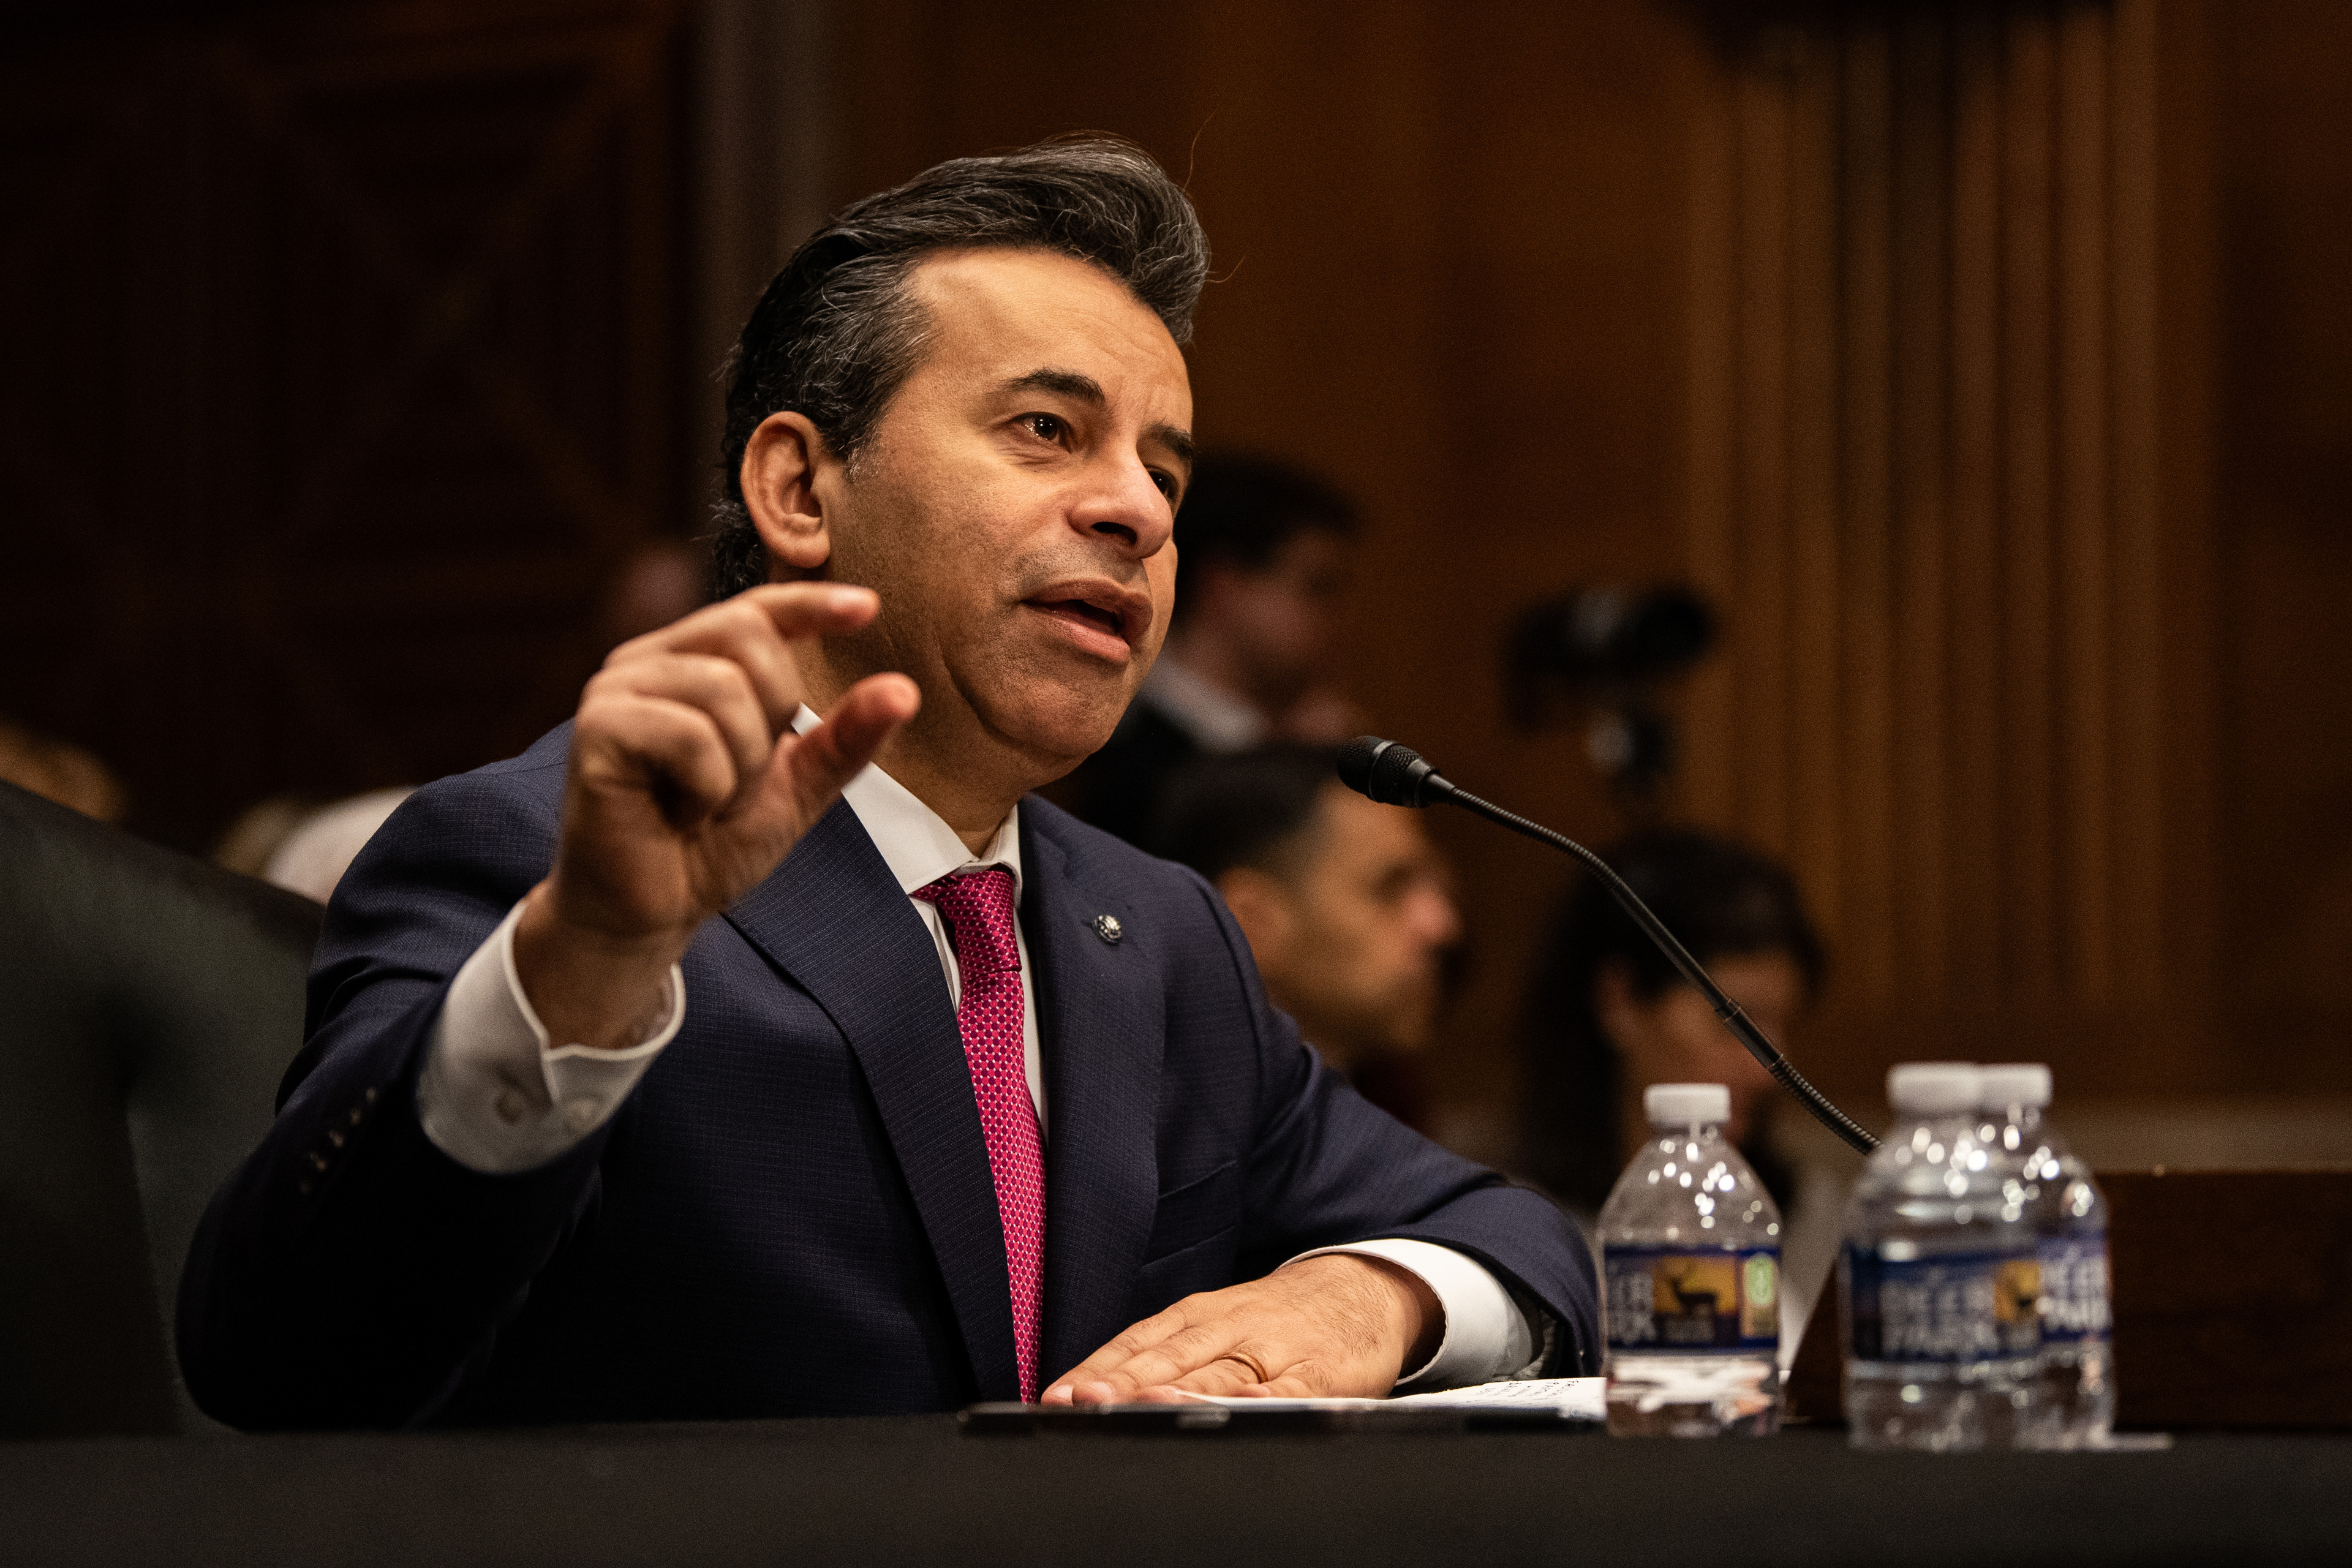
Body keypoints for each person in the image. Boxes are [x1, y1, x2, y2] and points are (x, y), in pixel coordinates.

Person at [178, 138, 1599, 1430]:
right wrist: (592, 959)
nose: (1137, 508)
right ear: (801, 489)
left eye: (1162, 468)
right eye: (1047, 429)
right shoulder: (536, 853)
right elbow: (284, 1360)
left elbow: (1524, 1245)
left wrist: (1359, 1301)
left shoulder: (1155, 932)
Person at [1513, 828, 1844, 1350]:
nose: (1766, 1072)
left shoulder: (1810, 1212)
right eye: (1737, 1025)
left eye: (1782, 1027)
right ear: (1619, 1001)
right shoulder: (1520, 1229)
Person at [1054, 454, 1359, 843]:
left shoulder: (1303, 738)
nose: (1338, 618)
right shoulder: (1118, 754)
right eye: (1316, 587)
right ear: (1223, 586)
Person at [1147, 744, 1461, 1092]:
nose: (1441, 927)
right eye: (1387, 891)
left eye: (1434, 888)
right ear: (1249, 922)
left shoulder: (1392, 1102)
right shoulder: (1144, 1121)